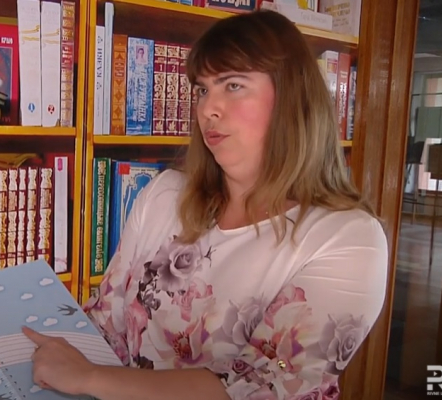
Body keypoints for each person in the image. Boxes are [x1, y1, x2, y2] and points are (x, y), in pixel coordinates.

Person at [22, 9, 389, 400]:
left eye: (233, 85)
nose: (208, 108)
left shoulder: (348, 238)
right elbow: (105, 324)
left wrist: (88, 378)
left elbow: (263, 386)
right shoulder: (163, 195)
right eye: (202, 89)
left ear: (291, 98)